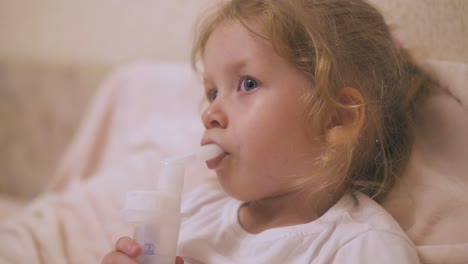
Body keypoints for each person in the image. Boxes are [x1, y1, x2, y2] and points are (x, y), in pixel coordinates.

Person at [102, 0, 436, 263]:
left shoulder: (362, 248)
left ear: (337, 118)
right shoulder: (196, 211)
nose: (210, 113)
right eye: (212, 92)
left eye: (247, 84)